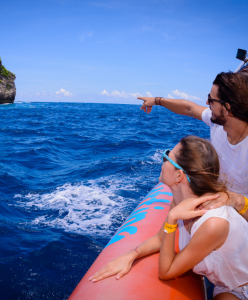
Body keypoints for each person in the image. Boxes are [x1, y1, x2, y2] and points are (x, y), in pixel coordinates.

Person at [89, 136, 248, 300]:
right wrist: (132, 254)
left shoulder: (213, 223)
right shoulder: (181, 201)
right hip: (227, 286)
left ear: (179, 176)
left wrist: (172, 219)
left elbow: (166, 271)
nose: (162, 160)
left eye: (166, 157)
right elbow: (160, 239)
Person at [137, 68, 248, 221]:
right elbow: (189, 108)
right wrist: (157, 100)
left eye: (211, 100)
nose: (206, 103)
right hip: (213, 200)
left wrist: (233, 199)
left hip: (237, 217)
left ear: (228, 108)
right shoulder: (217, 121)